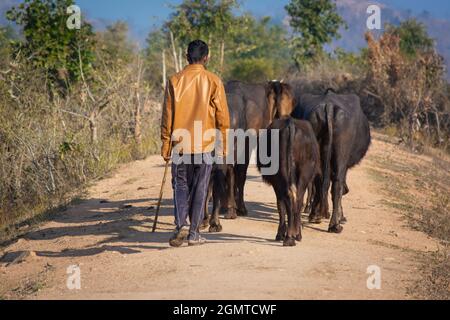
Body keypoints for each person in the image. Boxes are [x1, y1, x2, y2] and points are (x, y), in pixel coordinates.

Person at [160, 40, 230, 247]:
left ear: (186, 56)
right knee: (201, 187)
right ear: (206, 57)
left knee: (180, 185)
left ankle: (180, 224)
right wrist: (224, 145)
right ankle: (194, 233)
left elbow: (167, 116)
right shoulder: (214, 80)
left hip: (180, 145)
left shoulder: (174, 81)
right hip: (204, 145)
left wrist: (165, 145)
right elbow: (222, 117)